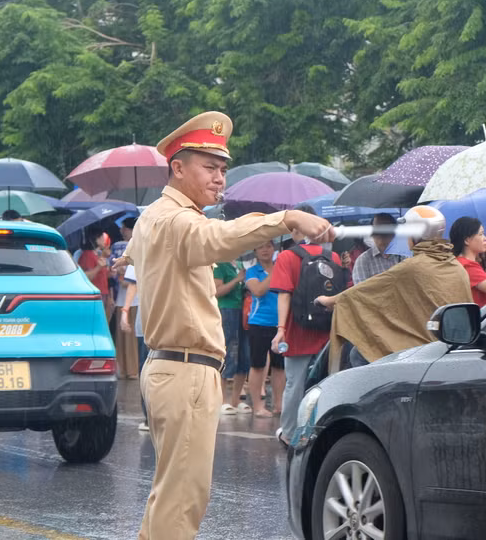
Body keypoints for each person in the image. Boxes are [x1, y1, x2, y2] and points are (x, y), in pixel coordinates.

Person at [118, 111, 334, 540]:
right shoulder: (175, 219)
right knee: (181, 504)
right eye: (209, 168)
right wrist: (286, 218)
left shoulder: (157, 217)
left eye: (222, 170)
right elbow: (214, 239)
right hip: (184, 370)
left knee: (171, 498)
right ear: (177, 168)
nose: (219, 179)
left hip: (177, 369)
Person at [317, 206, 473, 373]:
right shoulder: (455, 266)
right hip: (450, 346)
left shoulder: (411, 266)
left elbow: (363, 291)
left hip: (424, 348)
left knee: (357, 354)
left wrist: (329, 300)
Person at [270, 204, 346, 446]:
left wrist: (281, 330)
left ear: (295, 230)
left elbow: (284, 294)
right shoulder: (332, 257)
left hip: (297, 331)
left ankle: (290, 434)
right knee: (325, 383)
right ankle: (320, 432)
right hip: (326, 331)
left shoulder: (286, 256)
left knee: (295, 383)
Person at [245, 241, 284, 418]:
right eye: (260, 246)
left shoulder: (282, 268)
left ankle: (278, 404)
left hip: (281, 325)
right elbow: (258, 290)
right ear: (255, 250)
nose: (265, 250)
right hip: (259, 323)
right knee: (258, 365)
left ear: (274, 248)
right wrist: (274, 272)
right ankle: (258, 406)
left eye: (268, 246)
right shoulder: (252, 272)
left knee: (279, 366)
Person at [214, 259, 251, 414]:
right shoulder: (219, 265)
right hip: (226, 310)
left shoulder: (240, 265)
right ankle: (222, 400)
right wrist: (237, 280)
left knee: (244, 354)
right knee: (227, 352)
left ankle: (235, 400)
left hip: (242, 310)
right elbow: (217, 291)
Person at [121, 266, 149, 431]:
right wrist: (125, 310)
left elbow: (133, 282)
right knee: (147, 372)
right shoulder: (140, 245)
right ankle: (150, 417)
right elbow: (133, 282)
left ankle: (152, 418)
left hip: (153, 324)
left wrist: (125, 311)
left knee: (148, 372)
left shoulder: (141, 244)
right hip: (148, 324)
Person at [351, 213, 403, 284]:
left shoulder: (404, 257)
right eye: (377, 228)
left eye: (385, 228)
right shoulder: (363, 261)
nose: (381, 232)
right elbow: (361, 292)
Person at [78, 228, 113, 319]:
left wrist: (111, 272)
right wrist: (99, 267)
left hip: (103, 293)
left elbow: (104, 276)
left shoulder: (98, 255)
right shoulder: (88, 255)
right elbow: (86, 277)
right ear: (96, 239)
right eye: (102, 236)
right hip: (94, 296)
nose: (104, 239)